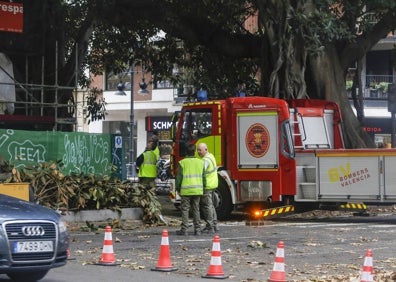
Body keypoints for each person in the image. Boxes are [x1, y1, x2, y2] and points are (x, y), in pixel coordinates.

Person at [175, 143, 205, 236]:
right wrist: (203, 188)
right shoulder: (200, 162)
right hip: (197, 190)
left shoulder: (182, 163)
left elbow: (179, 178)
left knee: (185, 209)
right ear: (195, 151)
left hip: (186, 190)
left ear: (186, 152)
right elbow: (204, 178)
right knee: (196, 209)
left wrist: (178, 188)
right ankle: (198, 230)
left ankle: (184, 230)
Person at [197, 142, 219, 234]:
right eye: (197, 150)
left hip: (207, 186)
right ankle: (214, 225)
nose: (198, 152)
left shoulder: (205, 160)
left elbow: (201, 172)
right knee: (211, 206)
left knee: (207, 206)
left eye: (200, 150)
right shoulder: (211, 156)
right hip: (213, 184)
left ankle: (210, 226)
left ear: (206, 150)